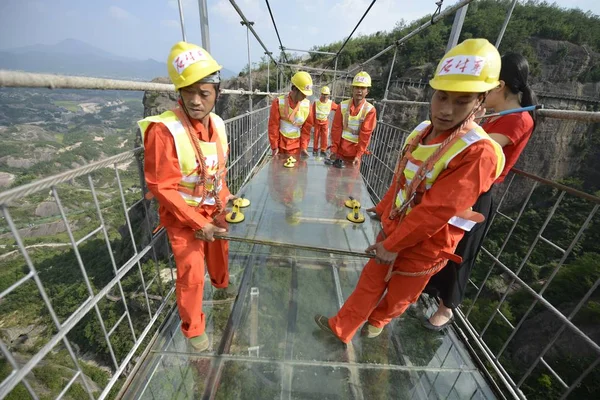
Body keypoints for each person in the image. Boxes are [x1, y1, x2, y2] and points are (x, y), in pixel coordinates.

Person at [314, 38, 506, 343]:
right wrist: (383, 212)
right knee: (371, 279)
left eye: (461, 101)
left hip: (429, 242)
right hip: (396, 226)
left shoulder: (478, 152)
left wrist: (393, 245)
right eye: (442, 97)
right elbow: (402, 180)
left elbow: (437, 209)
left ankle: (379, 319)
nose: (446, 110)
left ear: (480, 101)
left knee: (403, 290)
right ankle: (343, 326)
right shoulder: (420, 132)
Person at [423, 52, 537, 330]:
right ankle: (427, 288)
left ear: (498, 86)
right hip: (460, 185)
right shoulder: (500, 116)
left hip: (477, 193)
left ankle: (446, 308)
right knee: (438, 240)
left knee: (461, 250)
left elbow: (473, 150)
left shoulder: (519, 119)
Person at [138, 42, 235, 351]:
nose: (195, 101)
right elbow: (161, 187)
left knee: (220, 250)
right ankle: (194, 329)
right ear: (178, 92)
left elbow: (217, 169)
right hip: (183, 217)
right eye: (187, 93)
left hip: (214, 208)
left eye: (203, 94)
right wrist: (197, 221)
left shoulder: (218, 124)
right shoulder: (165, 131)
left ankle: (221, 285)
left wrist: (227, 195)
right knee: (192, 272)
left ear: (217, 92)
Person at [329, 71, 377, 165]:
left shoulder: (370, 110)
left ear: (367, 91)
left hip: (355, 154)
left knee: (351, 179)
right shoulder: (342, 106)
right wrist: (334, 150)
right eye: (357, 87)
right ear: (352, 89)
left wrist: (358, 155)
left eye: (362, 88)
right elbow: (336, 129)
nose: (359, 90)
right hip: (340, 151)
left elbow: (365, 135)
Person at [268, 71, 314, 157]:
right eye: (303, 93)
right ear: (294, 89)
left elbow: (306, 129)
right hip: (280, 146)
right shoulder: (278, 102)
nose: (305, 96)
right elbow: (273, 126)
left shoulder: (307, 106)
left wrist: (304, 147)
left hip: (297, 147)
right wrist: (274, 147)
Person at [312, 86, 338, 156]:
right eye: (323, 94)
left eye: (326, 94)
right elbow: (313, 112)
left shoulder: (330, 103)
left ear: (329, 95)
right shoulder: (316, 102)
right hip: (317, 122)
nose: (325, 96)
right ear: (321, 94)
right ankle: (315, 149)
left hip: (325, 122)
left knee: (325, 136)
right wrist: (313, 122)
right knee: (316, 136)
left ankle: (323, 149)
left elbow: (338, 108)